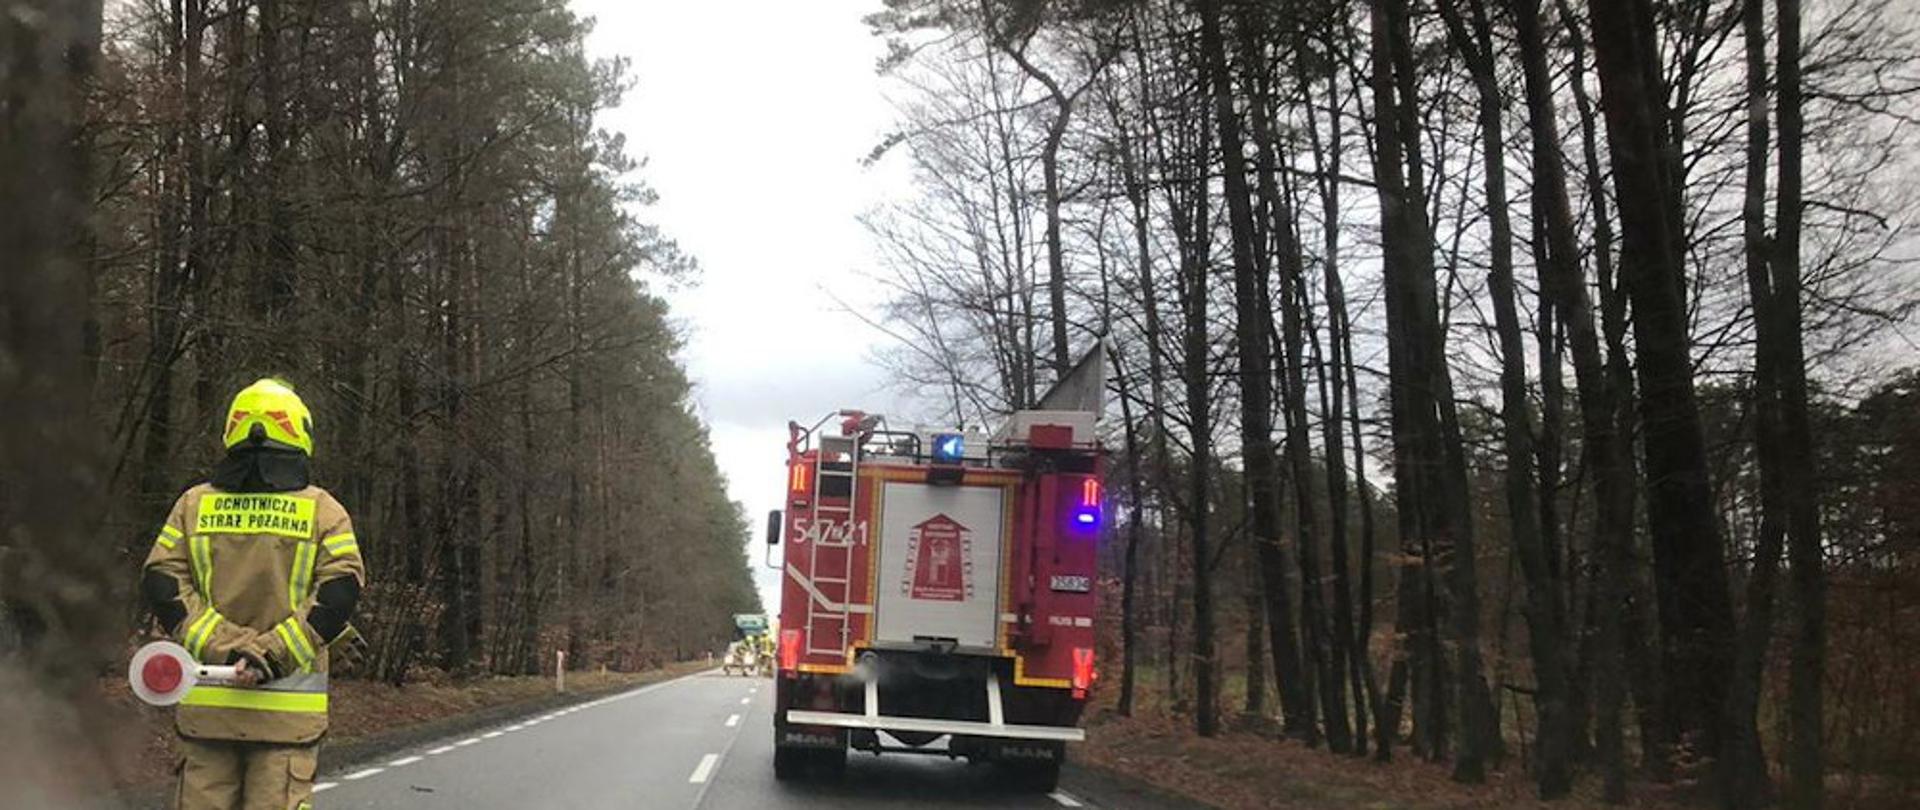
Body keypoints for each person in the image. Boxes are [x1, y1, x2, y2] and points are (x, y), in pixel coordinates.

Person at [141, 378, 368, 810]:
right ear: (300, 433)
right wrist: (272, 654)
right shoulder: (325, 512)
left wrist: (227, 649)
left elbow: (162, 584)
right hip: (287, 719)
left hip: (208, 712)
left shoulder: (193, 506)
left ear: (233, 431)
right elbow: (337, 597)